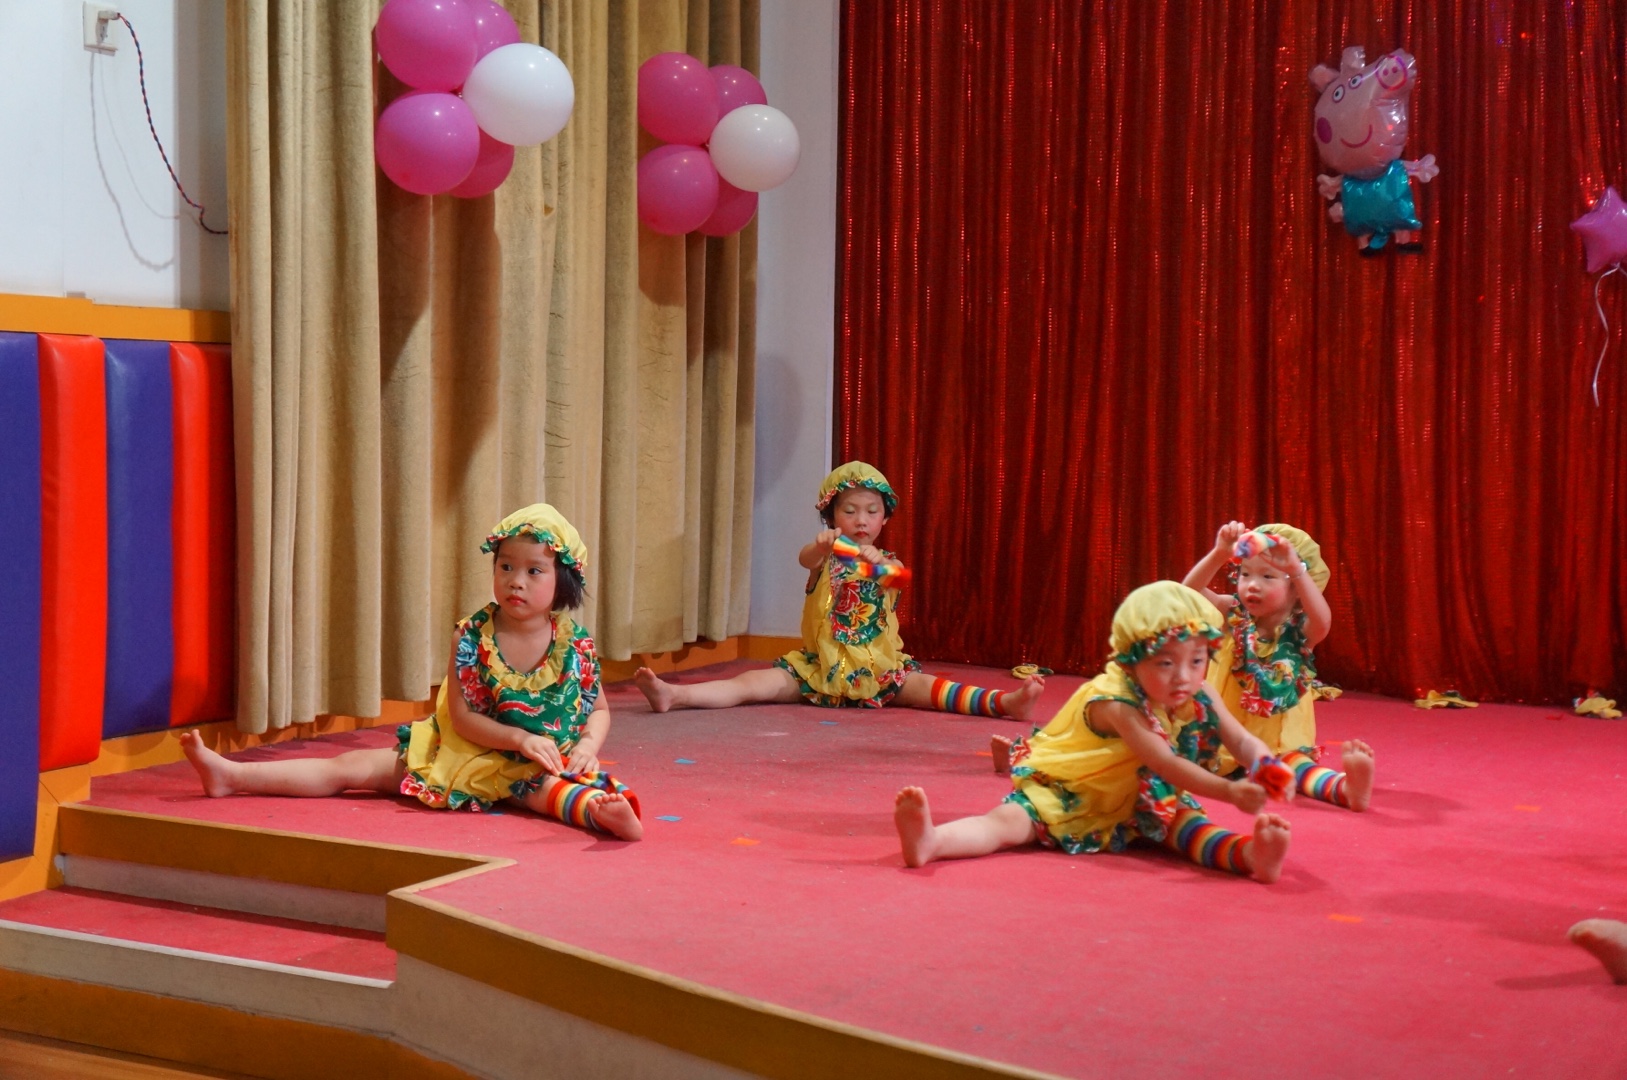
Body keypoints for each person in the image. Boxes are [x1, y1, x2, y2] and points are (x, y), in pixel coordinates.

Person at [180, 504, 642, 840]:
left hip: (536, 767)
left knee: (550, 791)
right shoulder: (472, 637)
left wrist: (587, 746)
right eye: (505, 566)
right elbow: (463, 719)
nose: (515, 581)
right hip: (459, 753)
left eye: (534, 571)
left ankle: (610, 815)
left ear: (563, 581)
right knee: (351, 767)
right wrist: (519, 738)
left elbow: (599, 710)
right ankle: (233, 776)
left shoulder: (575, 645)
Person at [895, 582, 1292, 883]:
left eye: (1197, 660)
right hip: (1070, 792)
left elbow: (1240, 740)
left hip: (1137, 796)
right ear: (1131, 661)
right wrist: (1229, 792)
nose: (1183, 677)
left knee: (1186, 826)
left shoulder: (1200, 691)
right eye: (1166, 663)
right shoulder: (1118, 703)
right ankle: (933, 841)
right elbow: (1164, 762)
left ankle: (1249, 856)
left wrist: (1267, 766)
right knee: (1006, 823)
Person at [635, 461, 1043, 719]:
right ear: (832, 517)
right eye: (849, 511)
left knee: (931, 689)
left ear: (884, 519)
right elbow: (804, 559)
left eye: (871, 511)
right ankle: (675, 695)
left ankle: (1003, 703)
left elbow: (898, 578)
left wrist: (876, 563)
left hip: (880, 672)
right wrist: (822, 546)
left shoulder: (888, 562)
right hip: (817, 668)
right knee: (753, 683)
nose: (861, 519)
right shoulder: (825, 556)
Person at [1181, 521, 1373, 811]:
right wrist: (1219, 553)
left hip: (1281, 745)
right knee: (1183, 757)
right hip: (1224, 740)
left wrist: (1297, 569)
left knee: (1299, 768)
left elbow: (1323, 621)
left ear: (1296, 589)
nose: (1252, 584)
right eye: (1245, 573)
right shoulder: (1231, 614)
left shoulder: (1300, 632)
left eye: (1268, 576)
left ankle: (1346, 789)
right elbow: (1187, 594)